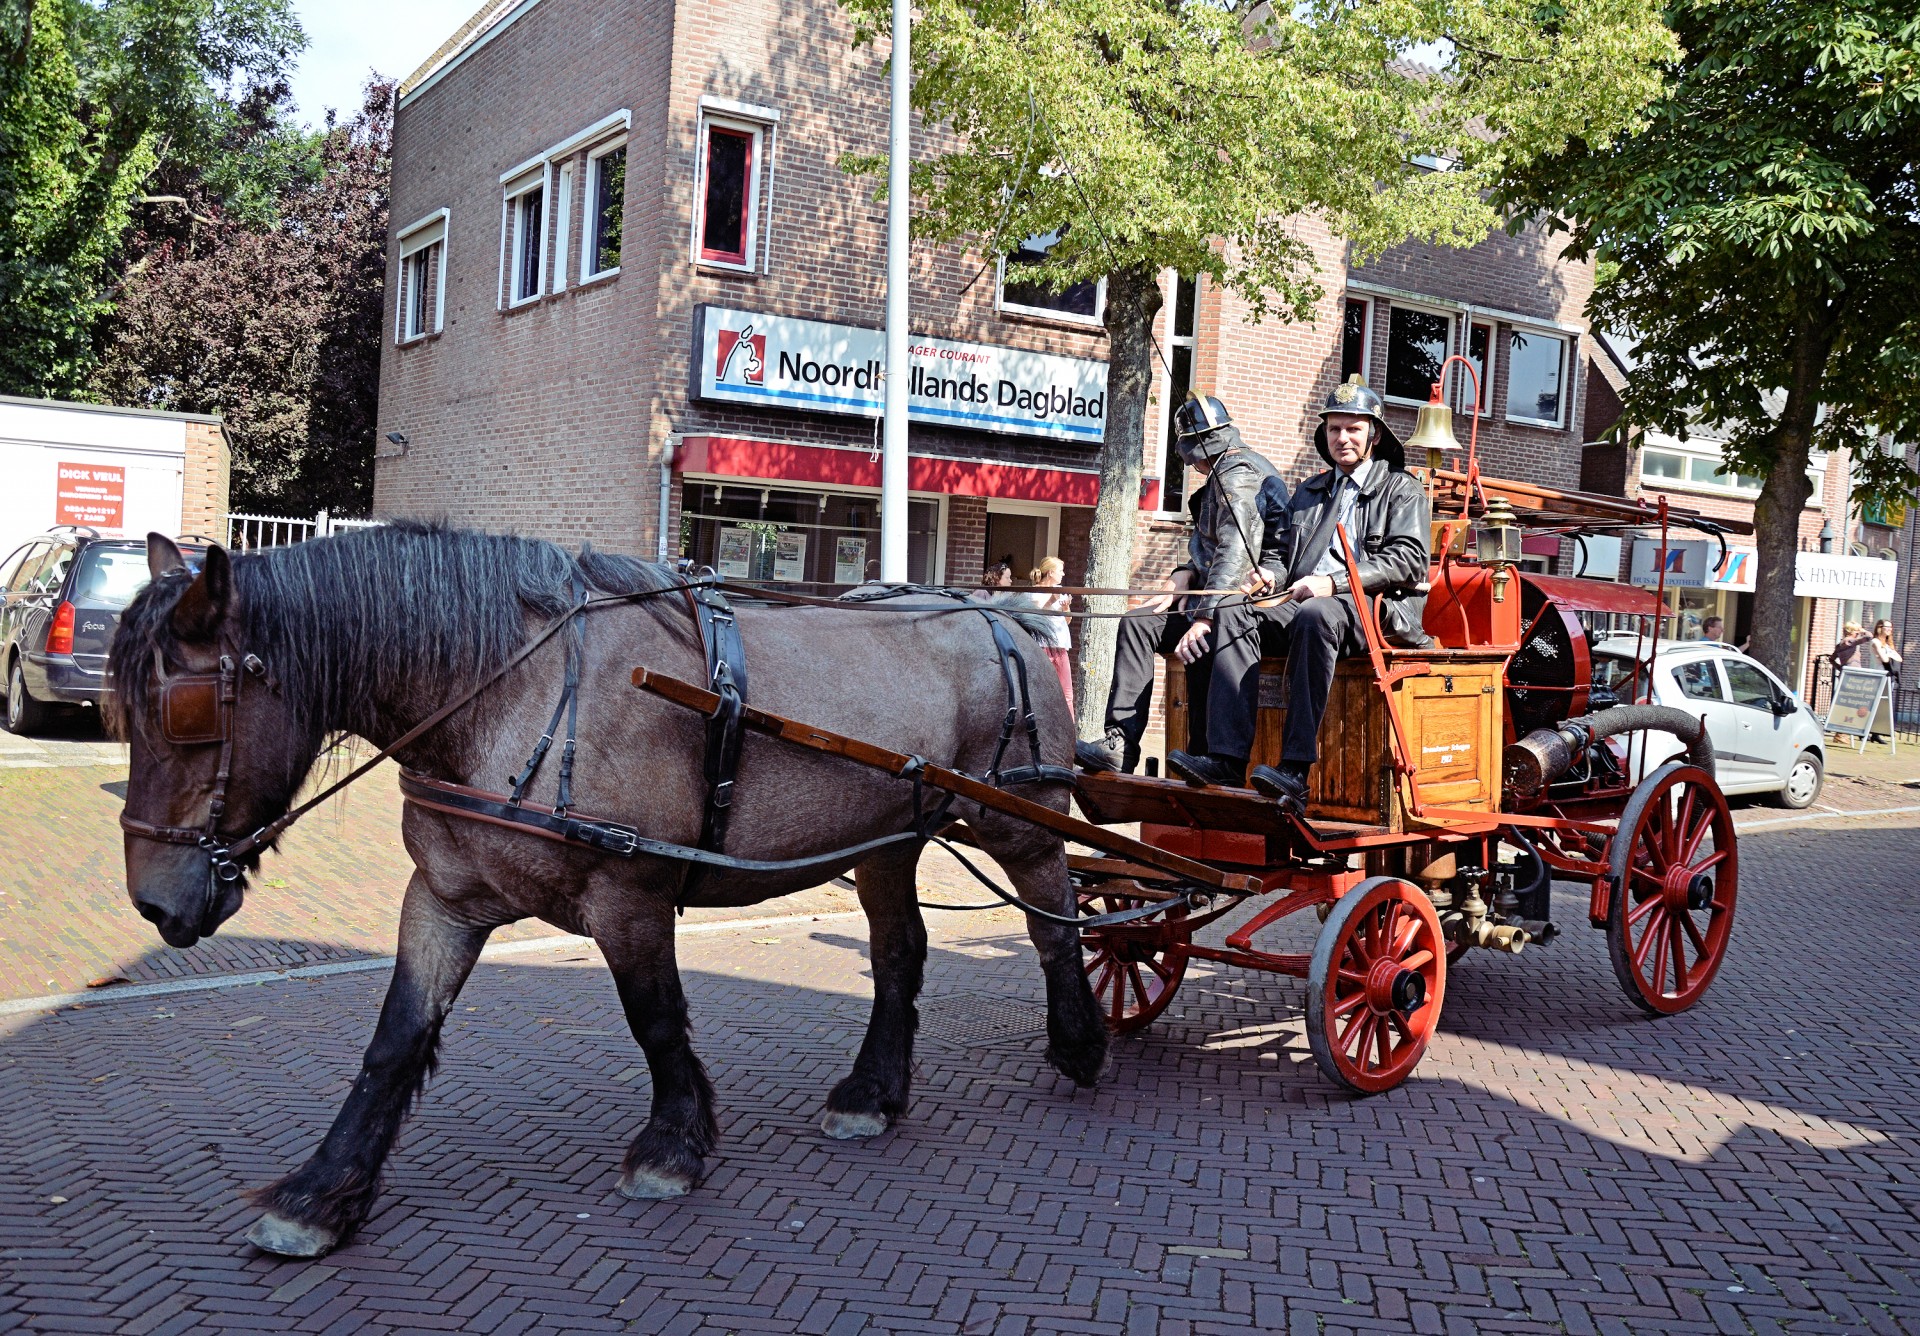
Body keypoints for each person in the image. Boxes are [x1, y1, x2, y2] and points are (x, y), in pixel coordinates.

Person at [1164, 374, 1432, 803]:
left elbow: (1408, 560)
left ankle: (1294, 767)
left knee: (1316, 613)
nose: (1342, 438)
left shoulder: (1403, 490)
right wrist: (1269, 576)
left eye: (1353, 429)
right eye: (1334, 429)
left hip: (1378, 609)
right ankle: (1227, 760)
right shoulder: (1310, 491)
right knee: (1231, 608)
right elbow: (1281, 555)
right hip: (1304, 600)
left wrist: (1334, 582)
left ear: (1375, 434)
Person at [1074, 395, 1290, 774]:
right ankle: (1121, 743)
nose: (1194, 464)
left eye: (1193, 455)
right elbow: (1210, 550)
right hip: (1213, 594)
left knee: (1209, 630)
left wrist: (1203, 618)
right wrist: (1183, 574)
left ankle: (1218, 757)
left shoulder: (1237, 474)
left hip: (1246, 600)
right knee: (1137, 622)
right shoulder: (1224, 471)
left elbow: (1236, 550)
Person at [1018, 556, 1075, 714]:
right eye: (1060, 571)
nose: (1063, 574)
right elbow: (1035, 617)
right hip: (1041, 646)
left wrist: (1066, 607)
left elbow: (1067, 621)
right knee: (1039, 689)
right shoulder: (1033, 592)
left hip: (1060, 645)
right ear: (1050, 572)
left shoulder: (1060, 591)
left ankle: (1069, 732)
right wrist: (1050, 601)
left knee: (1067, 693)